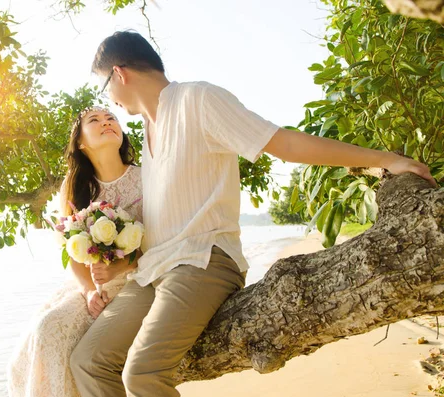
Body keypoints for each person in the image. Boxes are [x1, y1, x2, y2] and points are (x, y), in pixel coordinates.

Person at [70, 31, 438, 397]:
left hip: (203, 260)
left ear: (119, 73)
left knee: (142, 374)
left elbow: (285, 143)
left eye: (104, 88)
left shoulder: (198, 99)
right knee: (87, 361)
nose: (109, 101)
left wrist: (384, 160)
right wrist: (120, 265)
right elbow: (164, 216)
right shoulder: (148, 130)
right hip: (154, 270)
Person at [7, 107, 143, 397]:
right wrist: (89, 291)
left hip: (137, 281)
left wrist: (119, 268)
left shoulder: (147, 178)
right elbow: (71, 249)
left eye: (112, 119)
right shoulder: (74, 185)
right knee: (45, 330)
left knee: (66, 343)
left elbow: (160, 242)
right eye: (94, 121)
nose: (106, 122)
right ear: (81, 142)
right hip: (91, 285)